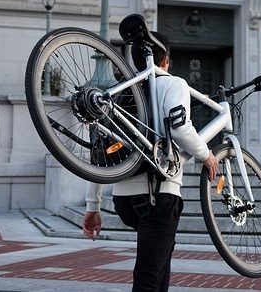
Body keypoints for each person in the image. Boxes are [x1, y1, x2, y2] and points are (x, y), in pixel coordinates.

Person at [83, 26, 218, 292]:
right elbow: (180, 127)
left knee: (159, 271)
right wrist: (207, 155)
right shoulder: (173, 83)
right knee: (148, 279)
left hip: (124, 202)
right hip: (159, 196)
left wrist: (93, 205)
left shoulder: (122, 92)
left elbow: (102, 152)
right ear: (166, 59)